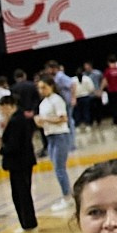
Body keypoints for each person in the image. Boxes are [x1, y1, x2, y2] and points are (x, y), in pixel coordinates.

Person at [0, 95, 41, 232]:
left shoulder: (17, 120)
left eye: (3, 108)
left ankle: (28, 224)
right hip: (22, 161)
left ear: (9, 105)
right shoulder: (19, 117)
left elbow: (13, 145)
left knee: (22, 194)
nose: (2, 111)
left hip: (19, 162)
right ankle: (26, 223)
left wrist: (1, 149)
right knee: (20, 193)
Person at [35, 80, 73, 210]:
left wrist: (45, 119)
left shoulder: (57, 100)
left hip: (60, 135)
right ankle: (67, 193)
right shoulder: (43, 103)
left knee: (60, 169)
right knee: (57, 168)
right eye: (39, 88)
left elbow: (63, 118)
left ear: (51, 86)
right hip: (49, 136)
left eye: (44, 87)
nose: (41, 90)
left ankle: (67, 197)